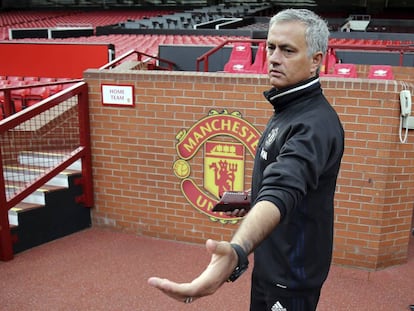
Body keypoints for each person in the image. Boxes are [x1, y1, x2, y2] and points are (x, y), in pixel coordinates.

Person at [148, 8, 344, 311]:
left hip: (291, 279)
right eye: (270, 47)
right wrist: (253, 199)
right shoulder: (288, 107)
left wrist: (237, 250)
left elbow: (284, 186)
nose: (275, 57)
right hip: (269, 267)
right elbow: (282, 188)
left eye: (288, 50)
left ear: (316, 61)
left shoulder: (314, 124)